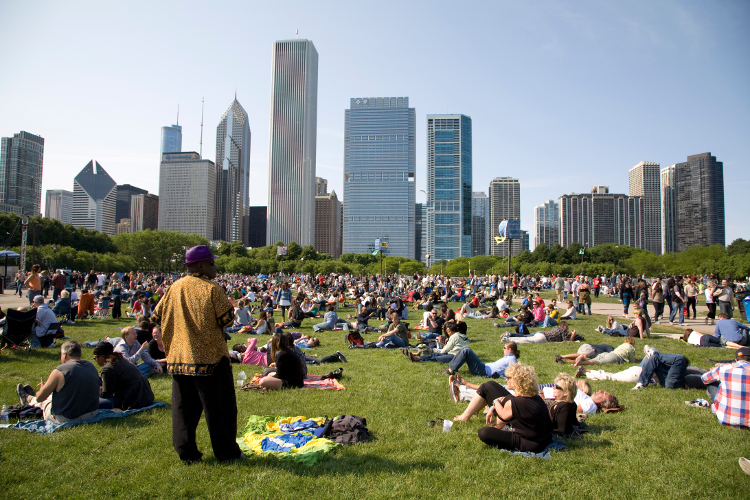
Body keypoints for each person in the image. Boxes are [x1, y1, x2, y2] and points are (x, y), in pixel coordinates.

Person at [151, 244, 243, 463]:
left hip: (179, 358)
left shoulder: (174, 287)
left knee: (184, 410)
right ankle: (227, 453)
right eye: (212, 263)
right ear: (200, 265)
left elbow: (156, 316)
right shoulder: (211, 288)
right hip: (210, 359)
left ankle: (187, 452)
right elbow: (227, 320)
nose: (215, 267)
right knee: (220, 409)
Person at [456, 363, 553, 453]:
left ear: (517, 381)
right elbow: (511, 402)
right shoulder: (534, 397)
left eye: (508, 378)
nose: (506, 380)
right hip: (543, 437)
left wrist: (495, 403)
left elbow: (502, 414)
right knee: (490, 385)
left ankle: (493, 426)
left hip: (529, 442)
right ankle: (471, 418)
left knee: (484, 432)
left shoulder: (515, 402)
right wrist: (495, 406)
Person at [16, 340, 99, 423]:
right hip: (91, 414)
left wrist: (42, 389)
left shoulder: (60, 370)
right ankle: (29, 398)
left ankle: (28, 398)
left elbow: (40, 398)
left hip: (66, 418)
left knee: (45, 401)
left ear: (65, 355)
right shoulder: (90, 366)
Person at [93, 341, 155, 410]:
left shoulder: (108, 368)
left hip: (133, 401)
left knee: (93, 402)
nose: (95, 360)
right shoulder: (120, 359)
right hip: (147, 397)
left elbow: (105, 394)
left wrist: (96, 388)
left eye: (95, 357)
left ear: (102, 356)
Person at [700, 347, 750, 429]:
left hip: (726, 419)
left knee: (712, 383)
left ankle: (717, 405)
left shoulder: (724, 368)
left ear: (736, 359)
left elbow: (704, 379)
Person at [442, 341, 519, 378]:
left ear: (509, 349)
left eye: (504, 348)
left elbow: (513, 375)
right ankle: (451, 368)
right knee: (465, 348)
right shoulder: (509, 357)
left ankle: (450, 370)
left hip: (483, 371)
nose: (503, 349)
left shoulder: (512, 360)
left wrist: (499, 376)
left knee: (466, 350)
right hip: (484, 367)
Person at [558, 338, 637, 367]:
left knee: (588, 359)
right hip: (592, 349)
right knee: (595, 361)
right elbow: (632, 360)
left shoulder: (621, 346)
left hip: (587, 348)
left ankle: (564, 360)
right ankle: (564, 357)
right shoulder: (630, 347)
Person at [502, 321, 575, 344]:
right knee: (528, 340)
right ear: (564, 326)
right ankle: (509, 339)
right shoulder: (562, 331)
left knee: (527, 337)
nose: (567, 328)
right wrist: (572, 335)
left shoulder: (556, 327)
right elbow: (567, 341)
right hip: (544, 338)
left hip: (541, 334)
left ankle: (509, 337)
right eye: (567, 327)